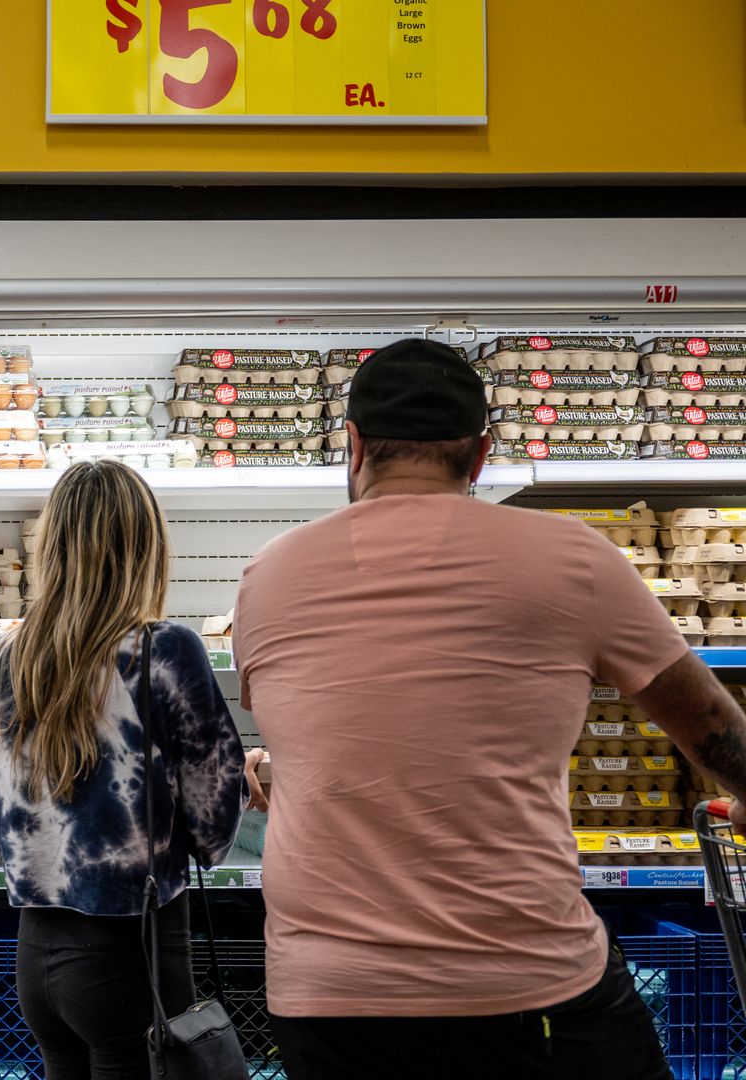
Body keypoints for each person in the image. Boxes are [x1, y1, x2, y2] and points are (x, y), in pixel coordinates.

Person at [235, 338, 746, 1080]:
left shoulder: (266, 575)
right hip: (519, 981)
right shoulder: (576, 558)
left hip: (325, 993)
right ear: (480, 455)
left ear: (352, 444)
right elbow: (711, 728)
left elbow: (351, 726)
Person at [0, 458, 250, 1080]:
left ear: (52, 546)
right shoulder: (164, 650)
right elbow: (214, 814)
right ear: (146, 547)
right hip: (134, 952)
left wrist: (30, 850)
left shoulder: (3, 656)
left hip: (36, 952)